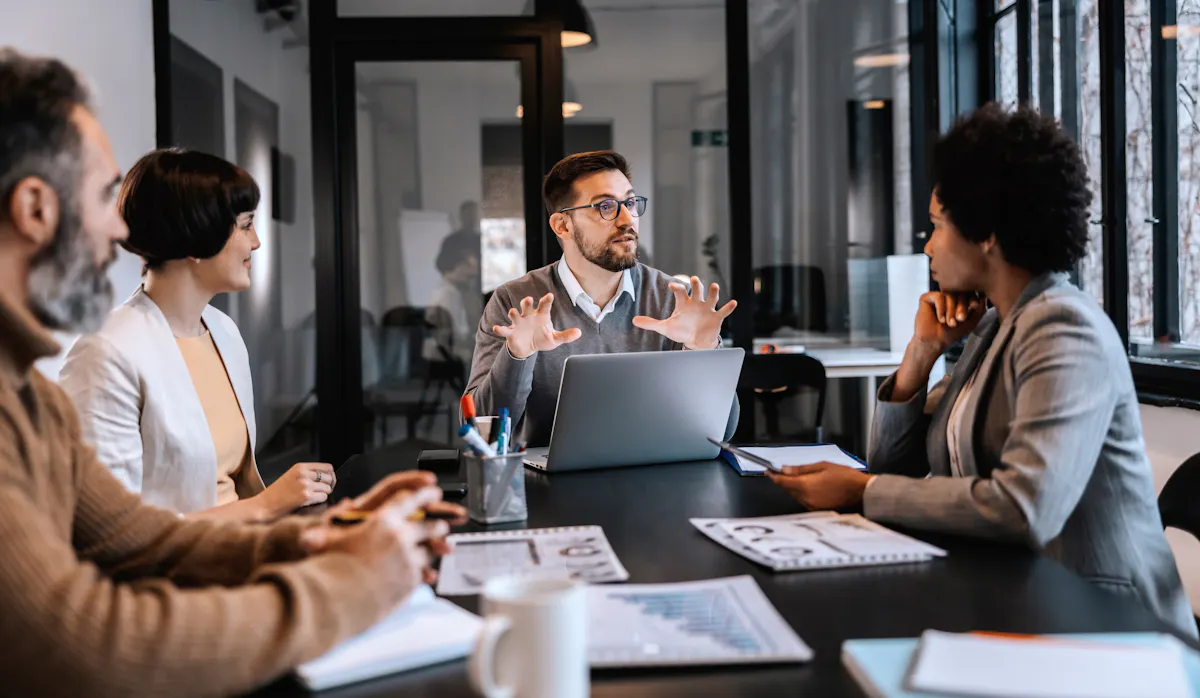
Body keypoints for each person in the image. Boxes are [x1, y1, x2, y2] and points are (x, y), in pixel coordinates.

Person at [0, 48, 464, 696]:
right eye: (105, 196)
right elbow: (84, 643)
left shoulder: (28, 400)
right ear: (34, 209)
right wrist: (348, 585)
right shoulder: (80, 370)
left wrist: (335, 536)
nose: (119, 228)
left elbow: (141, 539)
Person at [765, 103, 1195, 635]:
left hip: (1106, 628)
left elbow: (1023, 506)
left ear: (987, 230)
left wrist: (860, 492)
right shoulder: (995, 326)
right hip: (1015, 599)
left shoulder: (1064, 327)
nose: (928, 245)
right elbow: (889, 463)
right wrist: (923, 352)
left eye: (938, 225)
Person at [59, 148, 335, 520]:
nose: (255, 242)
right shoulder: (106, 352)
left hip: (243, 550)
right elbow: (108, 530)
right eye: (245, 225)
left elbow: (234, 490)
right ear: (197, 235)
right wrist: (269, 503)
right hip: (178, 572)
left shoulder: (223, 331)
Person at [465, 150, 739, 446]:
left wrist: (701, 351)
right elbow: (480, 431)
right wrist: (518, 354)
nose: (627, 219)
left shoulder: (672, 299)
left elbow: (720, 432)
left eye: (630, 203)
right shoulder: (515, 302)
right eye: (605, 206)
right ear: (562, 226)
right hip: (543, 484)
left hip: (652, 475)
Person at [424, 229, 481, 369]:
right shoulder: (448, 295)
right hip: (451, 354)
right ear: (456, 267)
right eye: (469, 275)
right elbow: (457, 336)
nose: (472, 279)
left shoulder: (446, 291)